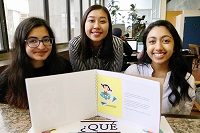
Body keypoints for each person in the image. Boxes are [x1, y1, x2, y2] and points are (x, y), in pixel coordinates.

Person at [124, 20, 196, 115]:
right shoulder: (133, 72)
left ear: (174, 46)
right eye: (152, 41)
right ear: (146, 46)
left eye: (166, 41)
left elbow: (183, 119)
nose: (158, 47)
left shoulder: (187, 80)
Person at [0, 17, 73, 109]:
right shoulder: (8, 78)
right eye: (33, 41)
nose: (41, 47)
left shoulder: (64, 66)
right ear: (21, 44)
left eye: (46, 39)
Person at [69, 5, 124, 72]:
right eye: (91, 20)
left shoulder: (117, 44)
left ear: (109, 25)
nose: (96, 26)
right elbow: (82, 76)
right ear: (84, 24)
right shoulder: (74, 45)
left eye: (102, 21)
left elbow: (114, 75)